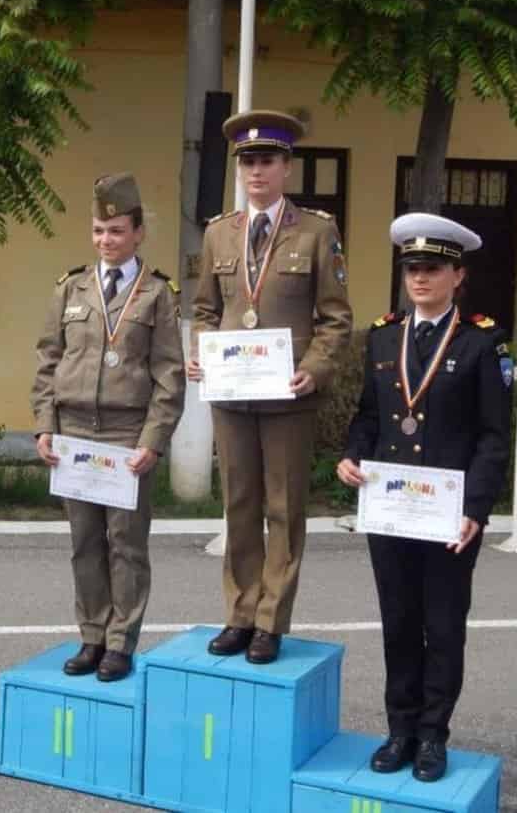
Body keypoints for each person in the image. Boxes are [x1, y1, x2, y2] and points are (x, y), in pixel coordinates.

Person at [336, 212, 511, 782]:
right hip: (391, 510)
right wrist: (351, 455)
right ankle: (400, 730)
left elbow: (492, 436)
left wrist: (476, 512)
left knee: (443, 625)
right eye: (411, 268)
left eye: (432, 268)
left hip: (446, 516)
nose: (419, 278)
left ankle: (434, 736)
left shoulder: (482, 343)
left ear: (457, 275)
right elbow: (369, 415)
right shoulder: (385, 335)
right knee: (398, 623)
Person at [187, 110, 352, 664]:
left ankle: (271, 620)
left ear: (286, 167)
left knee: (283, 507)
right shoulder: (219, 232)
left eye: (267, 161)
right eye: (248, 162)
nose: (256, 171)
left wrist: (316, 367)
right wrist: (202, 352)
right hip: (233, 393)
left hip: (289, 394)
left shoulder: (317, 231)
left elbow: (335, 318)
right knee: (238, 502)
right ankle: (239, 612)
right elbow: (207, 309)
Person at [31, 172, 185, 682]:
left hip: (125, 436)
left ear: (138, 233)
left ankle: (120, 641)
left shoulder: (158, 294)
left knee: (125, 543)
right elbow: (48, 360)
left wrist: (153, 442)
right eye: (99, 231)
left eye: (116, 231)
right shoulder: (69, 287)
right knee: (84, 542)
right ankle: (91, 635)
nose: (106, 241)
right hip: (74, 431)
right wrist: (44, 426)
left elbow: (169, 374)